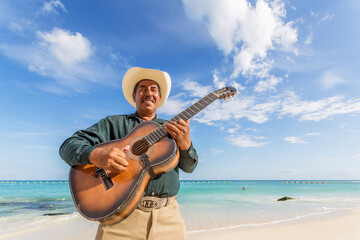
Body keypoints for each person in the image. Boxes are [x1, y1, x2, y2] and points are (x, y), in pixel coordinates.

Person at [59, 67, 198, 240]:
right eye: (142, 89)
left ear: (159, 98)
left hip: (169, 219)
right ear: (134, 96)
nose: (148, 93)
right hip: (120, 222)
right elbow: (68, 146)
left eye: (154, 89)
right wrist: (96, 155)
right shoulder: (112, 123)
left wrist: (186, 144)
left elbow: (190, 167)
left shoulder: (174, 130)